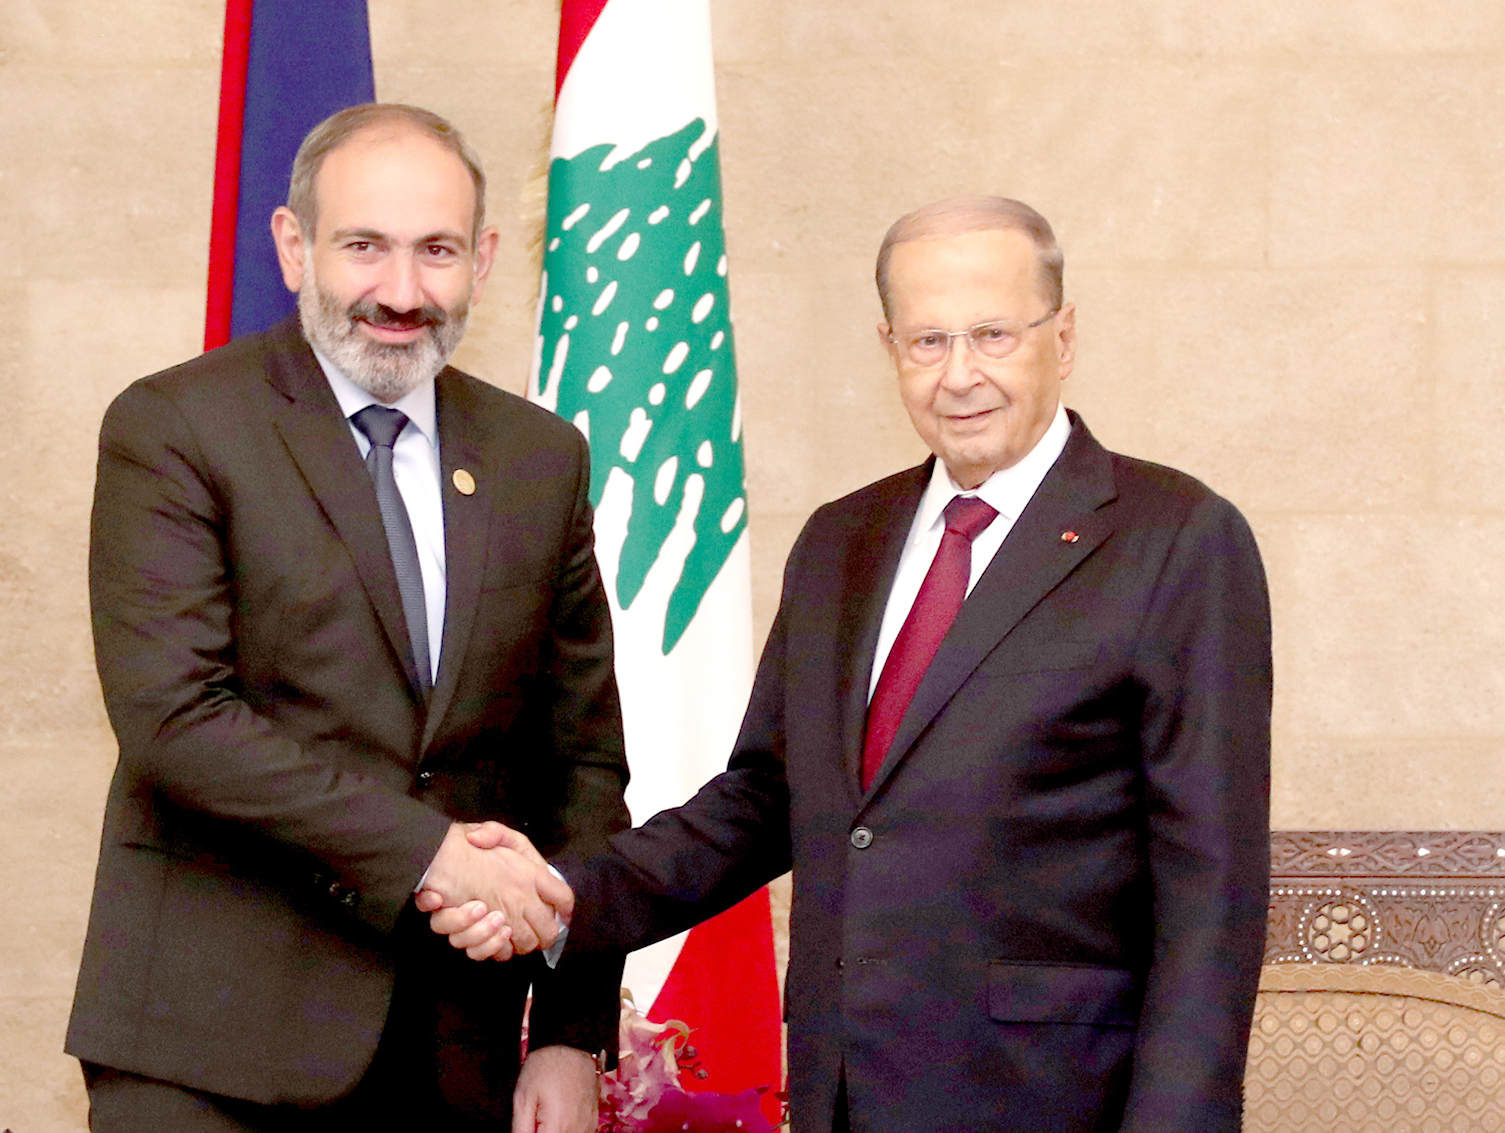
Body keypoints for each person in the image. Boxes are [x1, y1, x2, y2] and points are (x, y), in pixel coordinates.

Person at [433, 197, 1272, 1133]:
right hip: (845, 1093)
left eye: (993, 334)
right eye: (927, 341)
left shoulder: (1176, 539)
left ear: (1063, 337)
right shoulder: (842, 541)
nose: (960, 375)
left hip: (1054, 1096)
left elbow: (1212, 889)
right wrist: (559, 897)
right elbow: (759, 803)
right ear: (889, 345)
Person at [64, 102, 630, 1133]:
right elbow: (175, 717)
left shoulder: (538, 459)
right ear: (293, 245)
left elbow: (582, 763)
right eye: (364, 245)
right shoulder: (176, 426)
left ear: (485, 257)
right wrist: (432, 851)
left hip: (450, 1053)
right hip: (205, 1048)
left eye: (437, 251)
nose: (400, 292)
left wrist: (566, 1031)